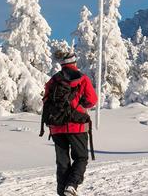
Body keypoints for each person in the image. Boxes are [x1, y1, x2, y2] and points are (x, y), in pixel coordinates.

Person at [42, 52, 97, 196]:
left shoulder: (53, 80)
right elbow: (92, 100)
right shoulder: (82, 78)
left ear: (62, 64)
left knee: (62, 162)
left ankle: (62, 193)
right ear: (74, 63)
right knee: (81, 157)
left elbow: (45, 100)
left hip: (56, 127)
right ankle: (71, 186)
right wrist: (81, 103)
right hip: (76, 125)